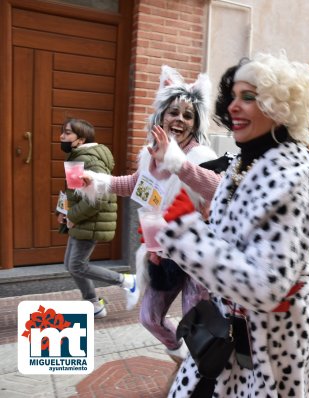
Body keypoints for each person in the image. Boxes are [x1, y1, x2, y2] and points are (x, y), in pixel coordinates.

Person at [156, 52, 309, 397]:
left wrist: (185, 237)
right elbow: (225, 247)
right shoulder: (240, 169)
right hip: (229, 329)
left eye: (249, 98)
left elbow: (264, 286)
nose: (233, 106)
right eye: (233, 96)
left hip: (272, 345)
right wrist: (176, 244)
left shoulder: (289, 187)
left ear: (279, 108)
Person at [80, 65, 220, 363]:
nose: (179, 119)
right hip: (162, 250)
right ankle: (180, 357)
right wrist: (99, 181)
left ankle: (201, 375)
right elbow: (137, 186)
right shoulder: (149, 154)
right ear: (161, 117)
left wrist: (177, 163)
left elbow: (217, 188)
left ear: (195, 125)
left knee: (197, 323)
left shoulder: (201, 157)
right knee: (149, 317)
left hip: (196, 256)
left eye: (188, 115)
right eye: (173, 112)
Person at [58, 118, 135, 319]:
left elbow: (100, 197)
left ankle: (126, 281)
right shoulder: (77, 156)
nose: (62, 137)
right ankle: (94, 304)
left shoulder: (90, 160)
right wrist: (63, 211)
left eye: (67, 133)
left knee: (77, 265)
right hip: (80, 219)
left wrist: (73, 216)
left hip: (90, 219)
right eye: (62, 132)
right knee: (71, 264)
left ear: (81, 139)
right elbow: (74, 191)